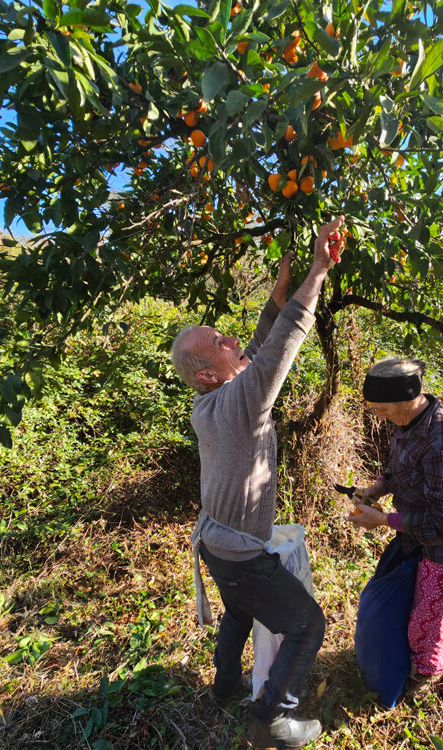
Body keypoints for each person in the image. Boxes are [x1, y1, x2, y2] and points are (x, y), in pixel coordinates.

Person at [170, 216, 345, 749]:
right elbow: (279, 346)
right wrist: (318, 270)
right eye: (219, 342)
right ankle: (271, 719)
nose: (232, 339)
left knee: (239, 611)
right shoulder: (240, 403)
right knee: (307, 626)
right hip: (241, 555)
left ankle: (224, 686)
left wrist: (276, 294)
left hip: (217, 544)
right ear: (208, 374)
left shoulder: (210, 399)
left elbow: (252, 348)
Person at [348, 358, 443, 696]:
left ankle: (424, 674)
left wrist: (383, 520)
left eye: (382, 409)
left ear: (407, 398)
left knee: (428, 618)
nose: (379, 416)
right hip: (416, 534)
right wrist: (378, 488)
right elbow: (400, 469)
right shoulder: (409, 422)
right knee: (409, 605)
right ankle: (409, 656)